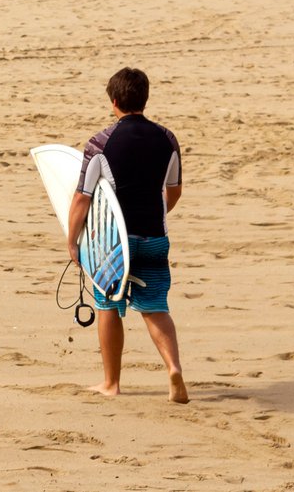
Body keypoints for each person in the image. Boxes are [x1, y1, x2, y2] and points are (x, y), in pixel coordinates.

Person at [67, 67, 187, 403]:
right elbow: (174, 190)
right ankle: (174, 368)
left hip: (111, 242)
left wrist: (72, 239)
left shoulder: (101, 143)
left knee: (107, 305)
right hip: (154, 236)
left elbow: (82, 197)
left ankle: (111, 383)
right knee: (154, 306)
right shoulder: (167, 139)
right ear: (144, 99)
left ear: (114, 100)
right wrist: (157, 212)